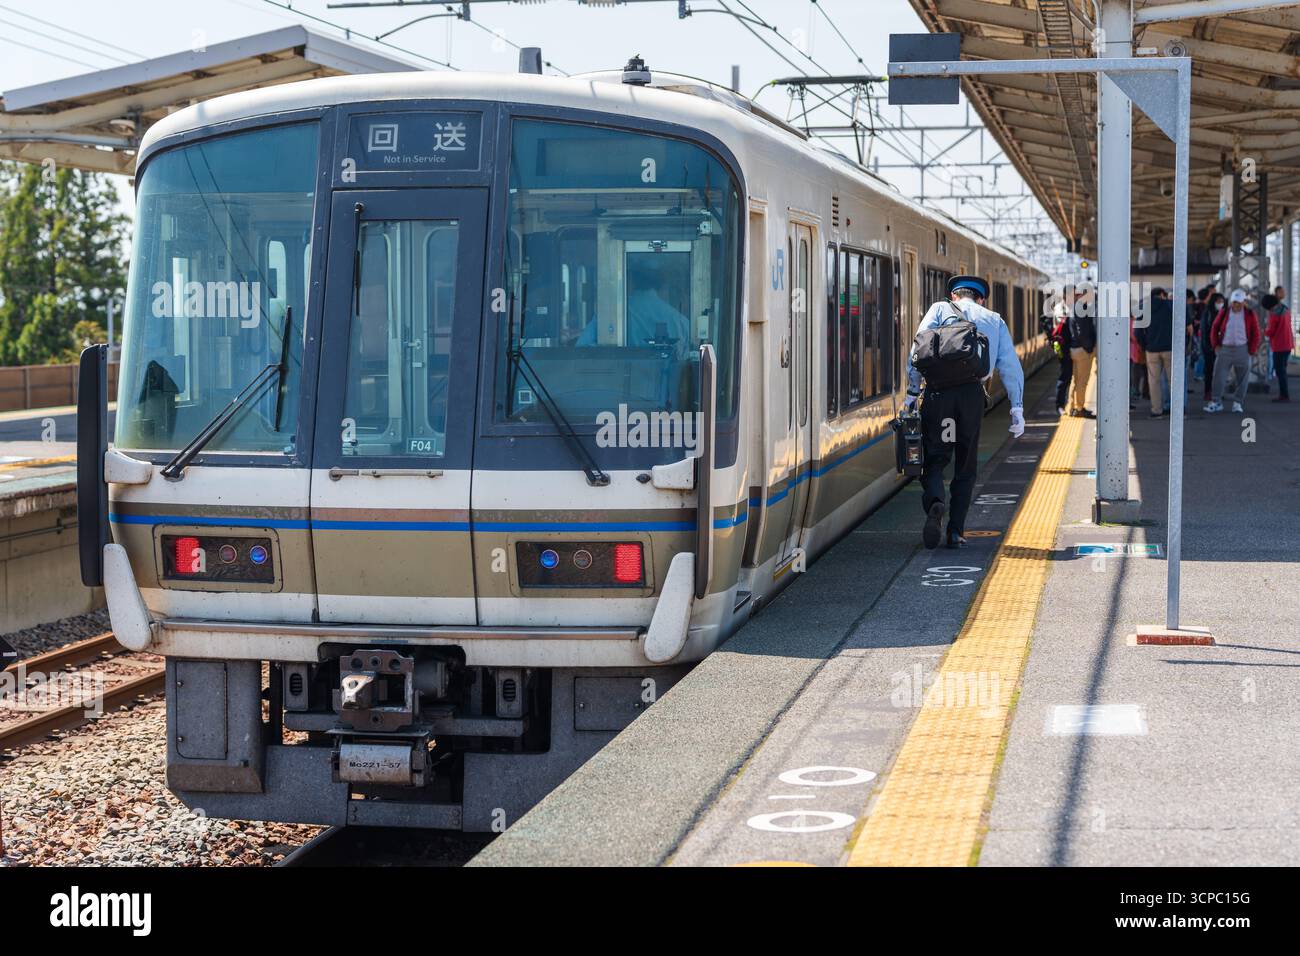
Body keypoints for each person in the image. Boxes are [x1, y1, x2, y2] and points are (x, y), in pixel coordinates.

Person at [905, 275, 1025, 550]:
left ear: (954, 297)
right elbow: (1009, 365)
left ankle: (936, 502)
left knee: (934, 458)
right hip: (971, 398)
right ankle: (955, 531)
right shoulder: (994, 320)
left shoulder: (938, 309)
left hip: (938, 395)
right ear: (980, 298)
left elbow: (916, 353)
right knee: (966, 467)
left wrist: (912, 394)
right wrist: (1016, 408)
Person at [1205, 288, 1261, 414]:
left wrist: (1251, 350)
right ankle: (1216, 402)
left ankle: (1237, 403)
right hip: (1225, 349)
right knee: (1219, 376)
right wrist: (1215, 345)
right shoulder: (1225, 312)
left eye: (1238, 302)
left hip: (1243, 349)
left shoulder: (1250, 314)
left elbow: (1256, 333)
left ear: (1243, 302)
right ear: (1231, 302)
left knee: (1243, 378)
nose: (1236, 305)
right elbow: (1214, 327)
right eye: (1234, 302)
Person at [1136, 288, 1174, 418]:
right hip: (1170, 348)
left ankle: (1157, 410)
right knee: (1173, 380)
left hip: (1151, 349)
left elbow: (1137, 330)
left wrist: (1144, 344)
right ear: (1162, 295)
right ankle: (1176, 409)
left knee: (1154, 381)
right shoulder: (1170, 305)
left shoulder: (1144, 308)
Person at [1066, 293, 1096, 418]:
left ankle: (1072, 407)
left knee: (1075, 380)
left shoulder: (1074, 308)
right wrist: (1088, 347)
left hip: (1074, 348)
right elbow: (1082, 331)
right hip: (1083, 350)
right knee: (1082, 381)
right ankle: (1079, 408)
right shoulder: (1082, 309)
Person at [1262, 292, 1294, 402]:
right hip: (1288, 344)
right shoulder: (1286, 309)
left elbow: (1271, 331)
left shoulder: (1273, 314)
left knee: (1280, 371)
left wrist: (1263, 332)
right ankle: (1284, 394)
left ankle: (1284, 395)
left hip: (1279, 345)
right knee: (1283, 370)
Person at [1199, 290, 1225, 401]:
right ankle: (1208, 391)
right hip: (1209, 347)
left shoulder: (1224, 313)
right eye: (1218, 301)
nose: (1220, 303)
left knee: (1220, 371)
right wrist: (1209, 346)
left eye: (1222, 301)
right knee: (1209, 370)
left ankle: (1217, 391)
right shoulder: (1208, 313)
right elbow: (1205, 331)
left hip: (1222, 346)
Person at [1050, 296, 1073, 416]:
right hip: (1063, 348)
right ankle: (1060, 405)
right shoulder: (1062, 309)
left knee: (1068, 376)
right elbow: (1064, 328)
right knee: (1064, 376)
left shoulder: (1068, 307)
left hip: (1067, 347)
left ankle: (1068, 404)